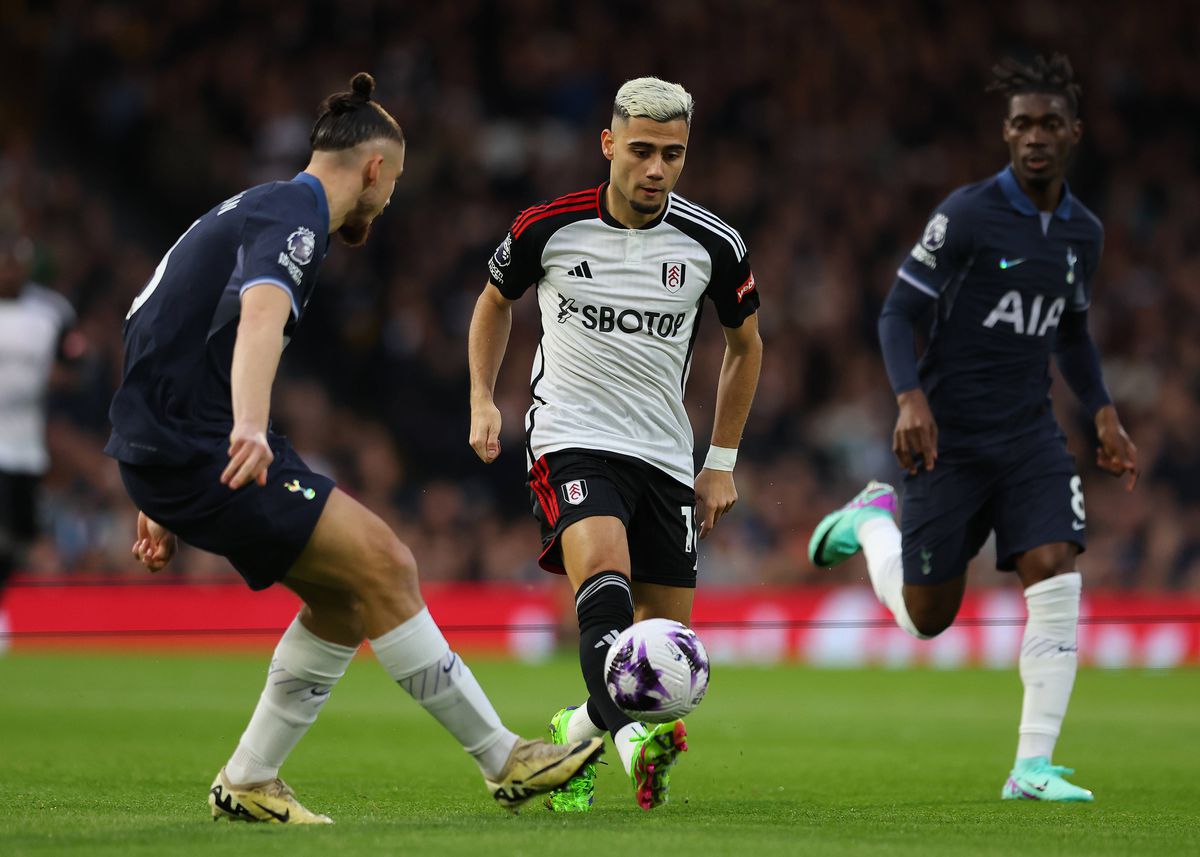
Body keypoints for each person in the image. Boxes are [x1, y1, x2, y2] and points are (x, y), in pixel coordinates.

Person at [104, 73, 601, 824]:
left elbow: (150, 321)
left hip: (174, 440)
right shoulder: (297, 213)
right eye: (394, 183)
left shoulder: (250, 205)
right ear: (374, 170)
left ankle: (249, 778)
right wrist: (240, 424)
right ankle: (505, 757)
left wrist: (155, 473)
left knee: (342, 599)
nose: (390, 199)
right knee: (387, 561)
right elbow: (260, 314)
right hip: (204, 439)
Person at [808, 54, 1138, 803]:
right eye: (1021, 124)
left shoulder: (1083, 233)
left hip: (1028, 435)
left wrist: (1104, 411)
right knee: (928, 617)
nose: (1034, 137)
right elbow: (897, 312)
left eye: (1050, 123)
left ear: (1074, 133)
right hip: (948, 437)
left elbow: (1073, 333)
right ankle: (871, 523)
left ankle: (1031, 767)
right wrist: (908, 398)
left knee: (1054, 562)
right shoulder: (966, 213)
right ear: (1006, 132)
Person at [468, 76, 762, 812]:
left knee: (665, 656)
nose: (656, 169)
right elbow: (494, 303)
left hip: (664, 452)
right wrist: (481, 396)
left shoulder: (713, 244)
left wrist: (720, 462)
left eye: (672, 153)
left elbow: (746, 345)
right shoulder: (548, 226)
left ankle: (584, 728)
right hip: (570, 433)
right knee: (604, 575)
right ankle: (602, 745)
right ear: (609, 145)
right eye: (640, 151)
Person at [0, 226, 78, 654]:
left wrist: (60, 377)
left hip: (26, 445)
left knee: (19, 538)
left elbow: (76, 364)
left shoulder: (51, 311)